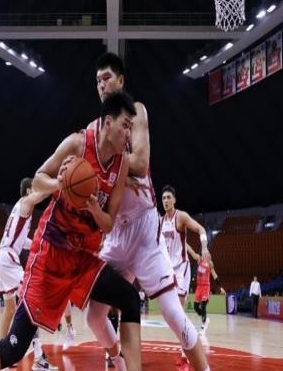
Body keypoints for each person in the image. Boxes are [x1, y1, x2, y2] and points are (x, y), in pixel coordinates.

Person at [0, 91, 142, 371]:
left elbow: (108, 223)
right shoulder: (78, 144)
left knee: (129, 298)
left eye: (131, 127)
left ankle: (122, 363)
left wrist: (95, 209)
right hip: (50, 256)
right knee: (14, 347)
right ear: (108, 122)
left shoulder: (121, 165)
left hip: (82, 259)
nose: (129, 134)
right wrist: (62, 184)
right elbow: (38, 179)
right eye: (125, 126)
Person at [86, 53, 210, 371]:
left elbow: (140, 163)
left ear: (121, 80)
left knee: (173, 314)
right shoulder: (94, 129)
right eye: (97, 80)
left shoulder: (136, 112)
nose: (101, 85)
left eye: (107, 78)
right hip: (116, 232)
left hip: (143, 228)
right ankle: (119, 361)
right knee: (94, 317)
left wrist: (106, 168)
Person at [0, 177, 55, 370]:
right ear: (29, 191)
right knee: (32, 302)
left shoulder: (19, 209)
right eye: (35, 189)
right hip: (8, 258)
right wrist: (58, 185)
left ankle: (0, 356)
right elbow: (41, 195)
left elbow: (23, 242)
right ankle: (39, 357)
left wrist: (38, 242)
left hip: (2, 257)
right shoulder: (26, 201)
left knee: (10, 309)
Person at [160, 185, 210, 306]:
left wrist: (204, 247)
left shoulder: (180, 216)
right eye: (164, 198)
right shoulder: (161, 221)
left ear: (174, 200)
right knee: (170, 308)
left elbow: (201, 229)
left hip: (181, 267)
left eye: (168, 197)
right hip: (167, 269)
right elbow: (181, 242)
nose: (166, 200)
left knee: (179, 305)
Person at [187, 246, 225, 333]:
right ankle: (205, 318)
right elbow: (192, 252)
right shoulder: (199, 259)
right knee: (196, 307)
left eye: (208, 254)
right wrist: (185, 244)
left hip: (206, 287)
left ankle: (203, 324)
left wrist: (220, 287)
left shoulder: (210, 264)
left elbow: (215, 275)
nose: (207, 254)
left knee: (203, 305)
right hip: (199, 287)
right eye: (206, 253)